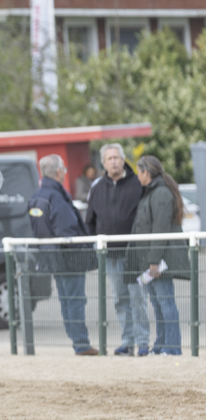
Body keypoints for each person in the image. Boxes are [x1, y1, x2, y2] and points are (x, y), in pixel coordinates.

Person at [28, 155, 98, 356]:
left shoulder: (37, 196)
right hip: (69, 258)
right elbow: (66, 229)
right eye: (64, 169)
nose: (65, 172)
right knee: (75, 301)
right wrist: (84, 247)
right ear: (58, 171)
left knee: (66, 301)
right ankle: (81, 343)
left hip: (52, 257)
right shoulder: (57, 196)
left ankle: (77, 341)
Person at [85, 144, 149, 356]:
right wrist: (96, 246)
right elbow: (90, 222)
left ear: (123, 160)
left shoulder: (137, 184)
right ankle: (127, 342)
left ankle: (143, 342)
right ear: (103, 163)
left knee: (137, 298)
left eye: (116, 158)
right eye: (109, 159)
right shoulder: (97, 188)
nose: (113, 162)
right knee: (120, 299)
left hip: (135, 254)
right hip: (110, 256)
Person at [126, 155, 187, 356]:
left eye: (139, 172)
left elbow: (160, 228)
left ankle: (172, 347)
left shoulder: (160, 193)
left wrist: (153, 260)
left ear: (146, 172)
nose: (138, 177)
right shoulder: (153, 192)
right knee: (158, 303)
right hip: (152, 260)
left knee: (165, 302)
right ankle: (161, 345)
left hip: (159, 261)